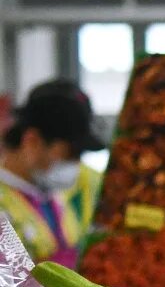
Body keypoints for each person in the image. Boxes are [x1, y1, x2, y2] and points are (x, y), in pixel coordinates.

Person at [0, 81, 106, 268]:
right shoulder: (4, 205)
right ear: (32, 141)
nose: (76, 164)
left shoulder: (55, 197)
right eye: (69, 154)